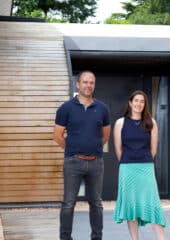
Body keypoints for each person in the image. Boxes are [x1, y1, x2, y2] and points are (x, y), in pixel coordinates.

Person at [53, 70, 111, 240]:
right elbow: (57, 135)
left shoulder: (102, 108)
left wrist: (92, 148)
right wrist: (72, 149)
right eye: (85, 82)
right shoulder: (66, 108)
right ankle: (65, 238)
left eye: (91, 82)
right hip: (73, 163)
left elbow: (105, 135)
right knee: (68, 203)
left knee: (96, 204)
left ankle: (96, 237)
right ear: (78, 84)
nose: (88, 85)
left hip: (96, 163)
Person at [113, 90, 166, 240]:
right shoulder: (120, 123)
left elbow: (153, 150)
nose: (138, 104)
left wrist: (143, 161)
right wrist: (128, 163)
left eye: (142, 101)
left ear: (145, 104)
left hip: (146, 169)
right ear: (130, 103)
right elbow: (118, 150)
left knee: (152, 205)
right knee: (131, 208)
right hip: (127, 170)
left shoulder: (151, 123)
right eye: (136, 101)